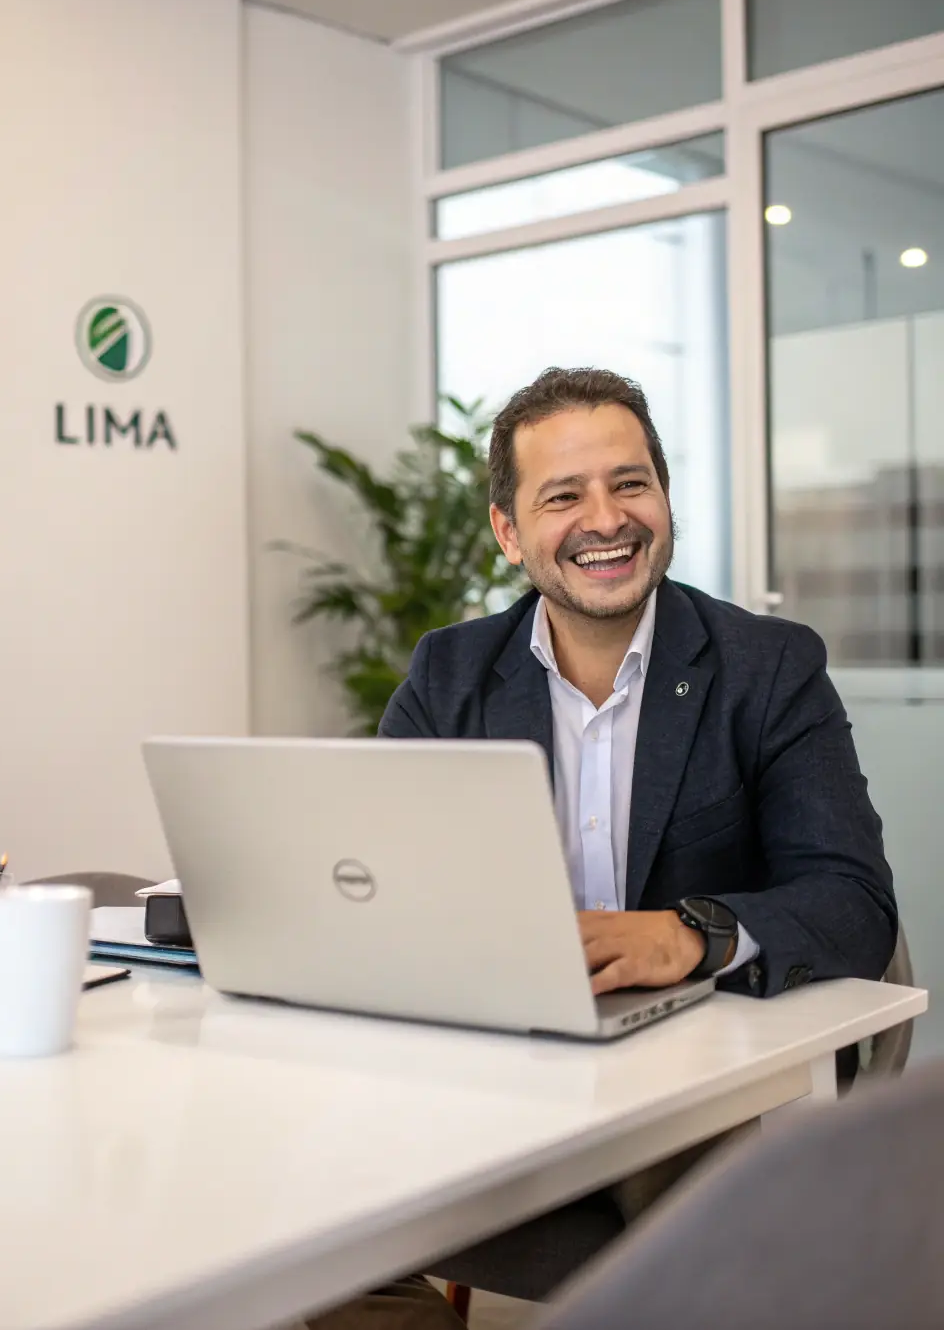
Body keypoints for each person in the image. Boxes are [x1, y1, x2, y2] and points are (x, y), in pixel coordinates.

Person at [309, 365, 897, 1330]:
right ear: (508, 532)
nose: (606, 518)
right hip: (496, 1082)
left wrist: (691, 935)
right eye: (563, 495)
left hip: (691, 1105)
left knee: (706, 1255)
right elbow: (387, 893)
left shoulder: (768, 668)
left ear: (665, 500)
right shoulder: (448, 676)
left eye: (629, 483)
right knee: (298, 1205)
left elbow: (854, 901)